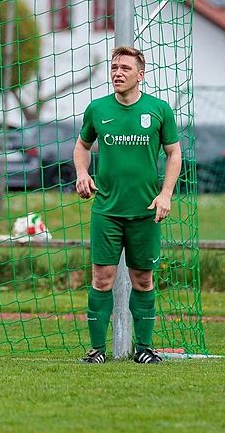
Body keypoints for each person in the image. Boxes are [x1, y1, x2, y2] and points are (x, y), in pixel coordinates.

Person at [73, 46, 181, 365]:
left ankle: (144, 348)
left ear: (140, 75)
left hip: (146, 211)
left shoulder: (159, 110)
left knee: (143, 279)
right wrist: (82, 173)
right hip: (106, 210)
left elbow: (174, 154)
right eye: (114, 67)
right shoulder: (97, 109)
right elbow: (82, 146)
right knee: (102, 278)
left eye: (125, 68)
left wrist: (166, 194)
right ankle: (96, 351)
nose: (117, 73)